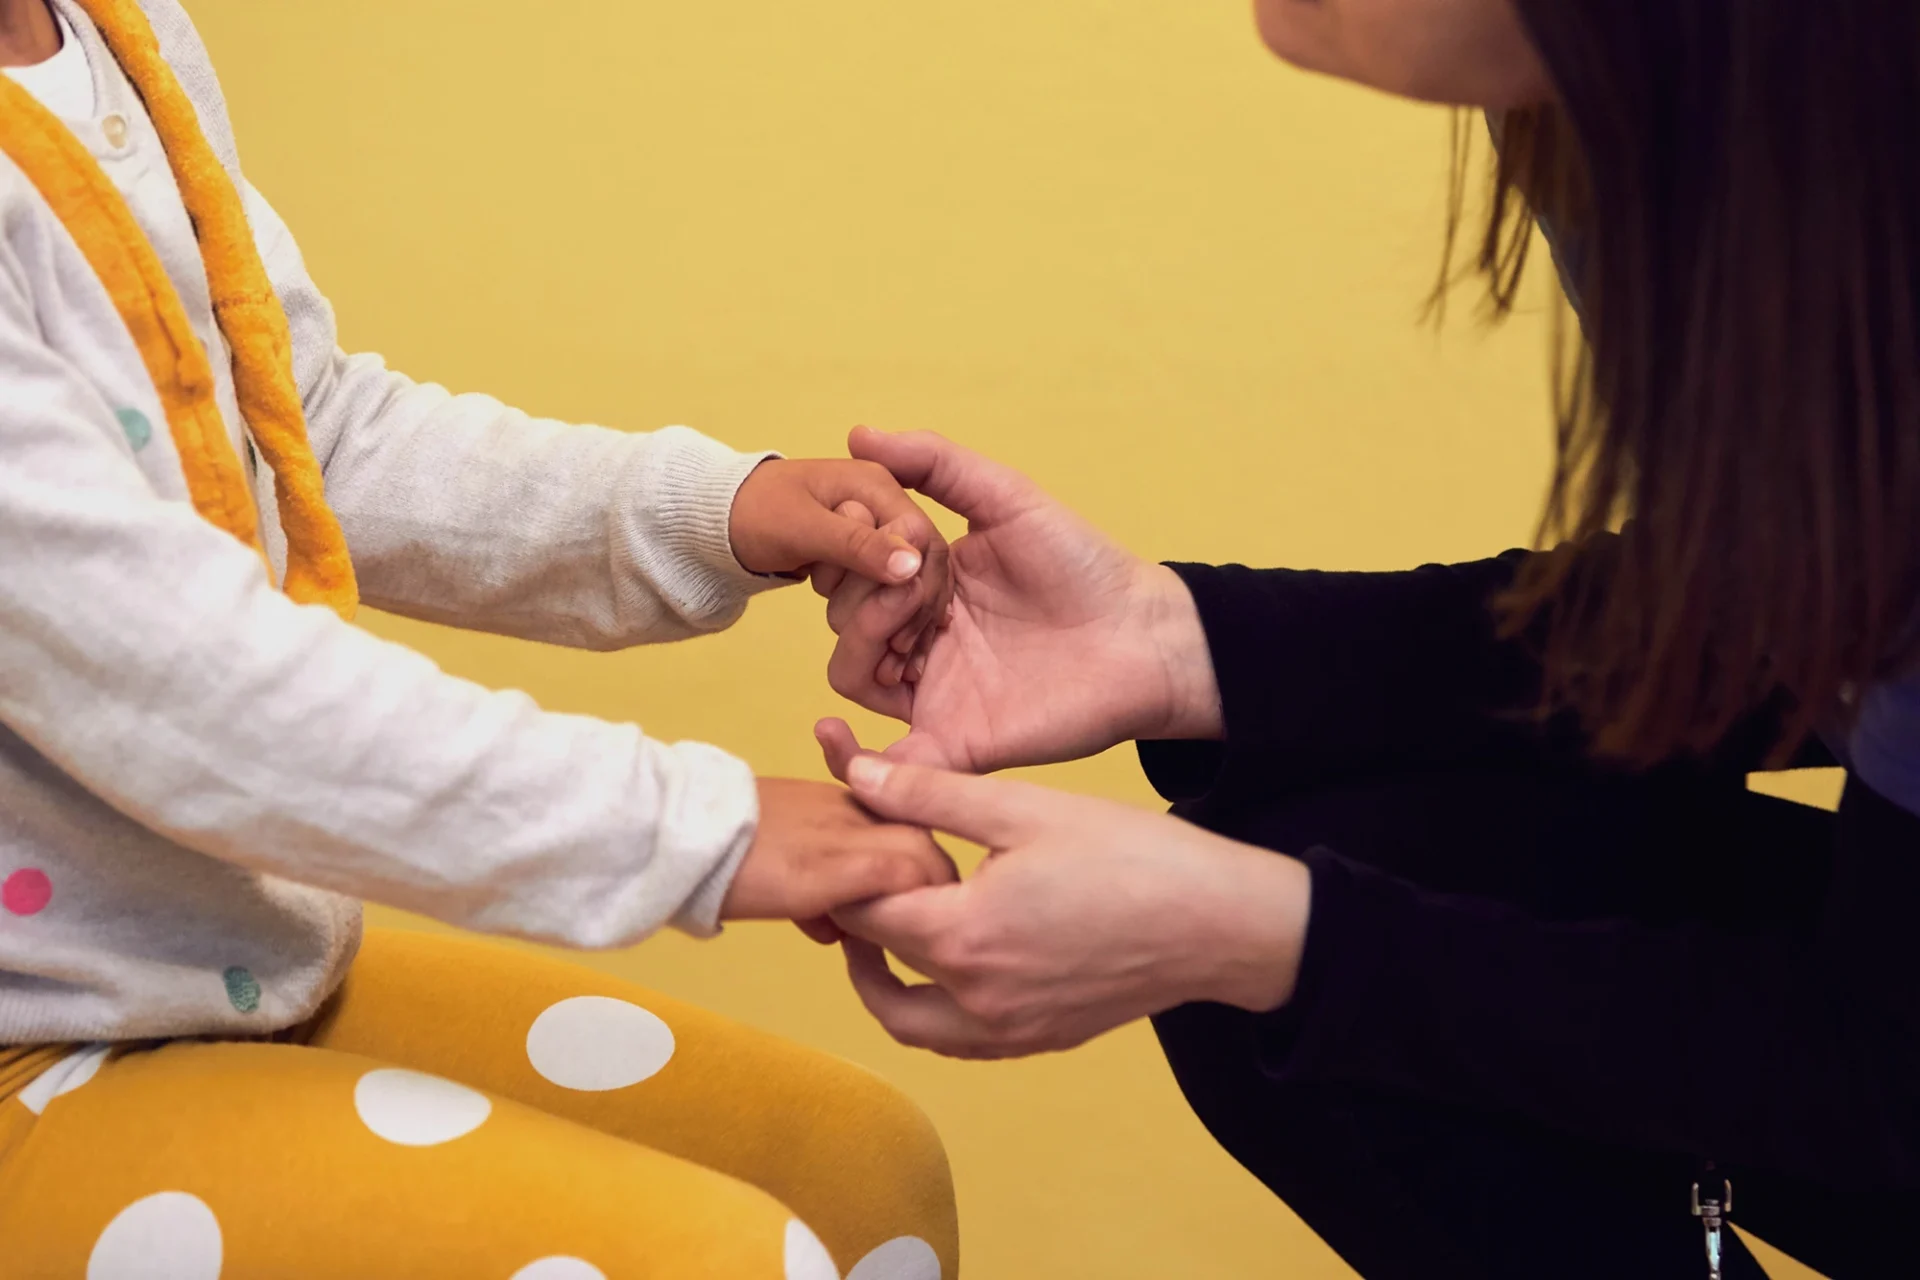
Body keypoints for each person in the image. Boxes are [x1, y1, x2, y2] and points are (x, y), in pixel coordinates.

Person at [817, 2, 1920, 1276]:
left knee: (1296, 947)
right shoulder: (1654, 121)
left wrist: (1276, 938)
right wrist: (1188, 645)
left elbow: (1891, 1081)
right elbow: (1825, 606)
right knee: (1334, 865)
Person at [0, 1, 959, 1276]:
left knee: (854, 1162)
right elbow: (167, 673)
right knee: (714, 1259)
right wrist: (690, 828)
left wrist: (708, 511)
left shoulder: (123, 34)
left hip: (213, 965)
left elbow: (302, 433)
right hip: (33, 1027)